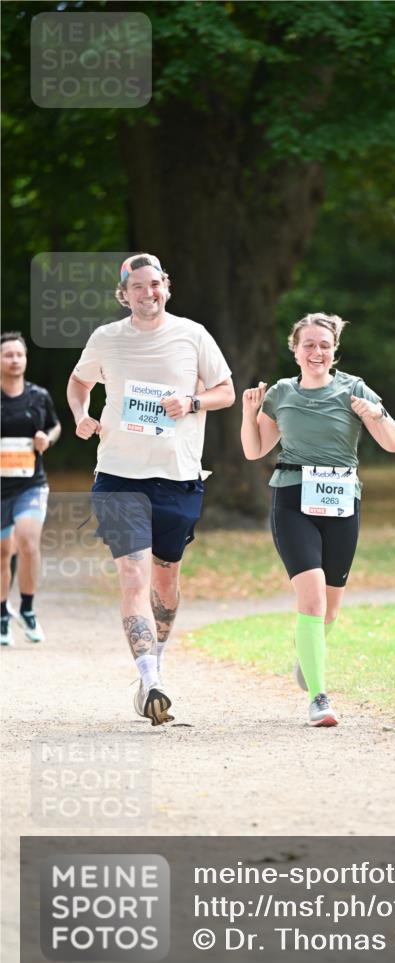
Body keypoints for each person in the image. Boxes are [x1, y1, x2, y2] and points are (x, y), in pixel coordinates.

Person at [67, 253, 234, 725]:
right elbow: (79, 383)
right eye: (137, 286)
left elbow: (225, 388)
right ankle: (150, 678)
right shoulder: (106, 339)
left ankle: (152, 670)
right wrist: (81, 415)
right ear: (125, 294)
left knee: (165, 581)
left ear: (167, 285)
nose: (147, 293)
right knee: (134, 577)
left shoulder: (193, 335)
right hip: (119, 475)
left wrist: (192, 400)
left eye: (154, 284)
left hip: (179, 477)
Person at [241, 312, 395, 727]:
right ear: (294, 350)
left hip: (341, 501)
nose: (317, 352)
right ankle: (319, 696)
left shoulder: (354, 389)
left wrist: (374, 414)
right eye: (309, 345)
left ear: (335, 351)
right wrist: (249, 412)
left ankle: (308, 656)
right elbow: (255, 449)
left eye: (325, 345)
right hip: (293, 496)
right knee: (311, 597)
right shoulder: (281, 393)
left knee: (330, 609)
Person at [1, 332, 61, 646]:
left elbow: (55, 425)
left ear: (25, 360)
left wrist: (46, 439)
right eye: (8, 354)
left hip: (30, 484)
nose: (14, 360)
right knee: (2, 552)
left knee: (27, 540)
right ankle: (1, 615)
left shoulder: (39, 396)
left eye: (19, 355)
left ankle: (27, 608)